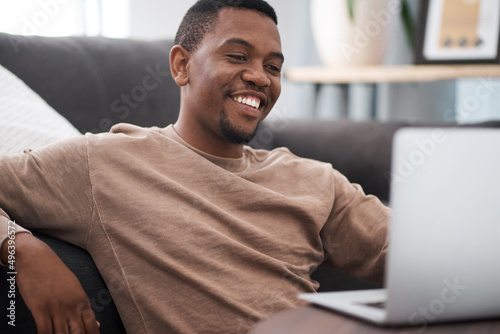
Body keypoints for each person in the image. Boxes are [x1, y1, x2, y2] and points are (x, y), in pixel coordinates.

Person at [0, 0, 390, 333]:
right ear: (181, 65)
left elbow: (415, 252)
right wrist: (21, 249)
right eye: (237, 56)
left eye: (273, 67)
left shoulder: (315, 180)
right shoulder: (104, 163)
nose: (259, 77)